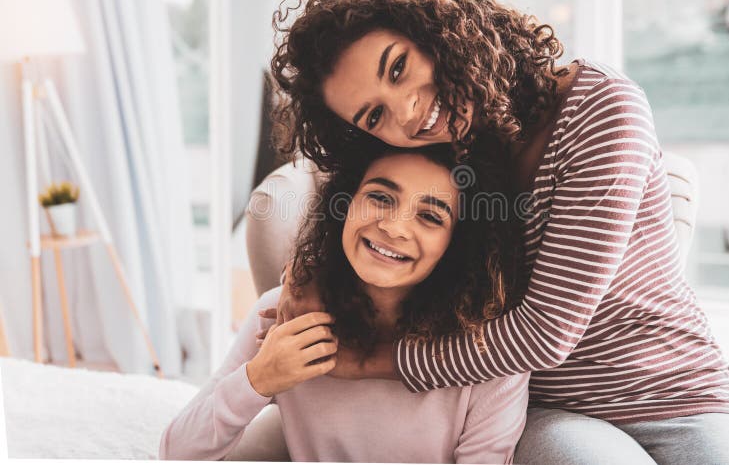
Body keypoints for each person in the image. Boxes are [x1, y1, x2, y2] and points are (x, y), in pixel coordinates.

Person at [268, 0, 729, 464]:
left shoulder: (604, 108)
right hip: (550, 411)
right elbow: (349, 200)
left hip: (678, 395)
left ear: (434, 29)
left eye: (398, 68)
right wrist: (304, 271)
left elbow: (544, 333)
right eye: (375, 116)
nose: (407, 113)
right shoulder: (448, 149)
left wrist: (365, 362)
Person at [160, 144, 530, 463]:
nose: (395, 227)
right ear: (345, 204)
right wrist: (259, 379)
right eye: (380, 197)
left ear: (455, 246)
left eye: (430, 216)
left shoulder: (491, 354)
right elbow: (176, 453)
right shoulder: (286, 315)